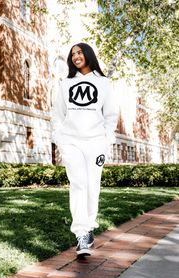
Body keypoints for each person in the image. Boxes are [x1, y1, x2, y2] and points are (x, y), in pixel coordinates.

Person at [51, 42, 119, 256]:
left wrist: (107, 139)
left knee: (92, 185)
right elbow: (57, 114)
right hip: (71, 141)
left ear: (88, 54)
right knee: (78, 183)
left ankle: (89, 226)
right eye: (73, 54)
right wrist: (59, 137)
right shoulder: (65, 84)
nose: (76, 57)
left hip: (96, 142)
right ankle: (81, 233)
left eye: (80, 52)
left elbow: (110, 115)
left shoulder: (104, 83)